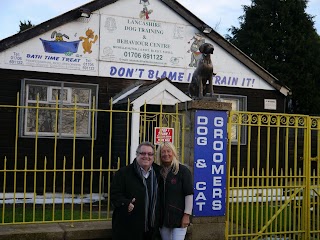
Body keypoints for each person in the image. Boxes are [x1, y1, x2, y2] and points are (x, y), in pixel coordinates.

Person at [110, 141, 161, 240]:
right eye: (143, 153)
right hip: (129, 228)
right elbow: (114, 195)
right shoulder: (123, 173)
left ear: (153, 156)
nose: (146, 156)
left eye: (150, 154)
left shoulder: (159, 173)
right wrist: (126, 203)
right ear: (137, 154)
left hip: (153, 230)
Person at [157, 142, 194, 240]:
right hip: (162, 218)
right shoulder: (158, 172)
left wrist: (186, 215)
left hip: (179, 217)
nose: (166, 154)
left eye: (168, 151)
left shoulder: (183, 171)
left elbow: (189, 194)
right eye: (163, 152)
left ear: (173, 152)